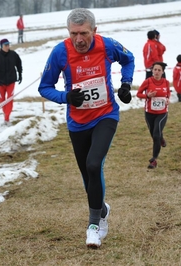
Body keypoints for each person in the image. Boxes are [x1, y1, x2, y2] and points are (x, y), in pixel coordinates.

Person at [38, 8, 135, 248]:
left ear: (94, 30)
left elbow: (129, 59)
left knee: (94, 164)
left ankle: (94, 226)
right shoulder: (60, 52)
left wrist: (126, 83)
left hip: (105, 115)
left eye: (83, 33)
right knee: (87, 175)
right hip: (77, 122)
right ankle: (101, 207)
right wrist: (66, 97)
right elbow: (45, 87)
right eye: (74, 34)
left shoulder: (107, 45)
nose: (79, 39)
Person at [136, 62, 170, 169]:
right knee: (154, 135)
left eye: (159, 70)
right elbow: (138, 94)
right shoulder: (147, 81)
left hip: (162, 113)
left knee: (156, 135)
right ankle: (161, 139)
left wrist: (168, 99)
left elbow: (168, 93)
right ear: (152, 71)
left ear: (163, 72)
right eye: (155, 69)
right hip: (149, 113)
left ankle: (154, 160)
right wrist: (147, 95)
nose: (156, 72)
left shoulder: (166, 82)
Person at [0, 38, 23, 125]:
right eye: (6, 45)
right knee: (2, 100)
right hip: (0, 82)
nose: (8, 46)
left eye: (8, 45)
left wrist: (20, 74)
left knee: (9, 100)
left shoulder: (13, 54)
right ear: (1, 46)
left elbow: (19, 64)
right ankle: (6, 114)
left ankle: (7, 118)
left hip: (11, 81)